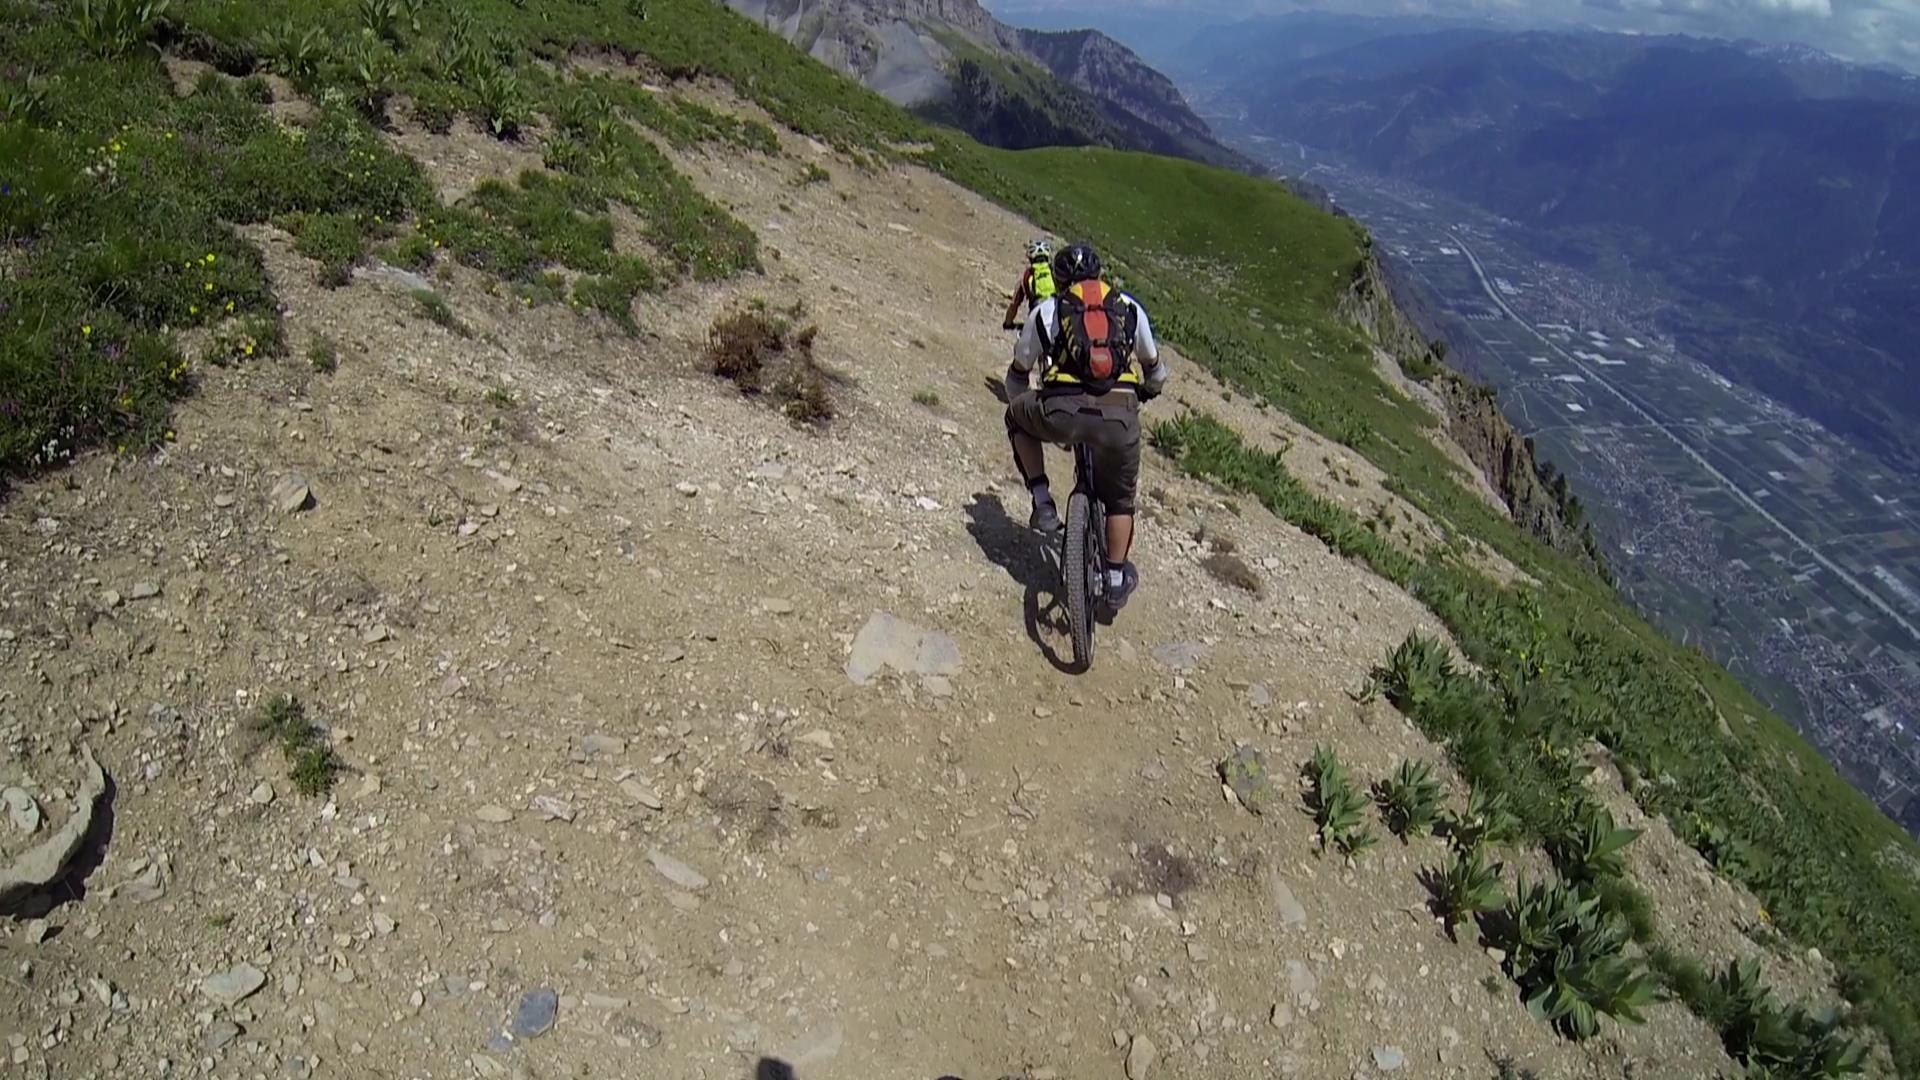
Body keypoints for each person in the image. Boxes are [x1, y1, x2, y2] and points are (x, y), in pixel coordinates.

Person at [1004, 242, 1168, 615]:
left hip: (1060, 411)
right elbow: (1156, 373)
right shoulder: (1128, 308)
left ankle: (1043, 503)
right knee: (1120, 499)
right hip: (1118, 417)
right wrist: (1145, 392)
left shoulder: (1046, 311)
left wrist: (1025, 402)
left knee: (1016, 417)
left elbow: (1017, 378)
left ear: (1059, 281)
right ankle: (1113, 579)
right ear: (1099, 278)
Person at [1001, 238, 1058, 330]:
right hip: (1056, 313)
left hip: (1037, 315)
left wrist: (1008, 324)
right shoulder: (1055, 272)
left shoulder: (1027, 276)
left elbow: (1014, 305)